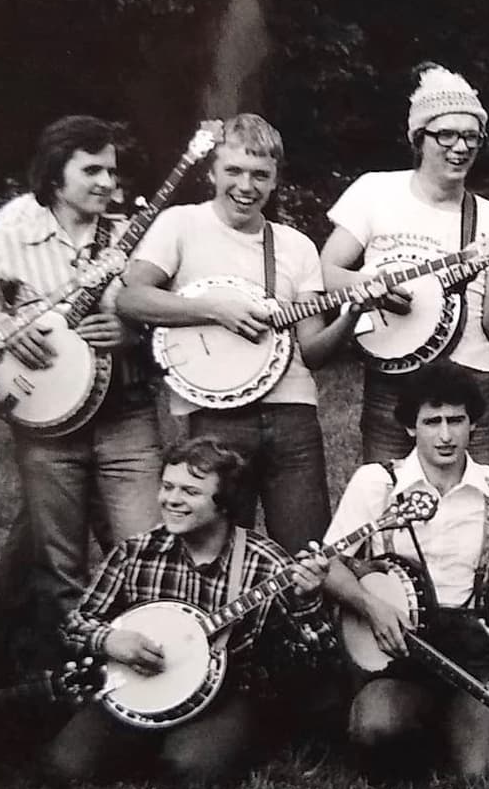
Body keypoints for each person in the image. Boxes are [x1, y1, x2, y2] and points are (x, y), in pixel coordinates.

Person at [0, 115, 163, 652]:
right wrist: (3, 332)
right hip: (47, 425)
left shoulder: (127, 236)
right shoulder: (16, 227)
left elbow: (164, 315)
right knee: (58, 566)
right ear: (55, 173)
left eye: (111, 172)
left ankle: (153, 654)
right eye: (90, 169)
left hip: (125, 413)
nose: (106, 183)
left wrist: (131, 331)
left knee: (146, 548)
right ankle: (70, 671)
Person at [119, 113, 363, 547]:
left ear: (274, 181)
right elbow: (132, 298)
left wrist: (352, 314)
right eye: (233, 171)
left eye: (260, 175)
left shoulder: (295, 246)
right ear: (212, 171)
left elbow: (313, 351)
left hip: (292, 415)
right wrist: (214, 310)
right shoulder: (181, 225)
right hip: (215, 416)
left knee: (306, 551)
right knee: (217, 546)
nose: (246, 186)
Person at [41, 439, 332, 788]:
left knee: (190, 772)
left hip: (225, 695)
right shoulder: (136, 552)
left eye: (190, 492)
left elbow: (318, 658)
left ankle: (206, 742)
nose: (172, 500)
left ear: (225, 504)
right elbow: (76, 623)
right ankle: (146, 738)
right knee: (65, 769)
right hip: (138, 684)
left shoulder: (265, 563)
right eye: (167, 487)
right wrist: (109, 640)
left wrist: (308, 601)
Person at [322, 364, 489, 776]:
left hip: (467, 645)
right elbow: (331, 563)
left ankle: (464, 717)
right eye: (431, 422)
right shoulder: (376, 483)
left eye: (456, 420)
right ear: (410, 428)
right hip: (396, 648)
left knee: (482, 774)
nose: (445, 435)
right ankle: (414, 721)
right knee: (376, 729)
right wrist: (371, 606)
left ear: (473, 423)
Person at [320, 64, 489, 465]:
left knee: (475, 503)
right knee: (387, 495)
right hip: (392, 373)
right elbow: (326, 273)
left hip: (468, 375)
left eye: (470, 136)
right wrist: (370, 285)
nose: (459, 147)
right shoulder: (375, 191)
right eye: (445, 134)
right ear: (418, 137)